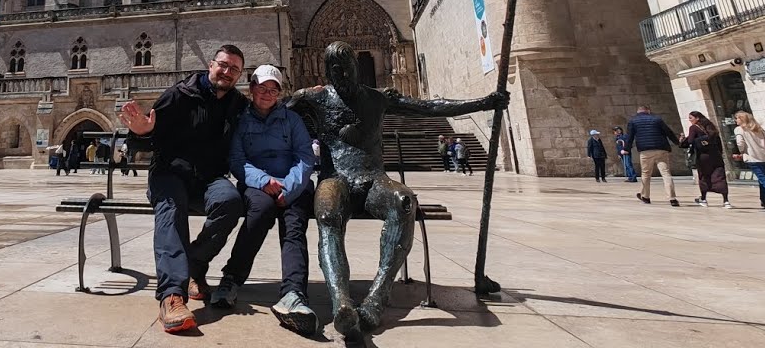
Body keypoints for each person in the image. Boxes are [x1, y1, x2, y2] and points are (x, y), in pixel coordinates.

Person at [288, 41, 508, 339]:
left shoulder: (379, 98)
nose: (341, 74)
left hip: (373, 180)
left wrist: (483, 103)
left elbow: (430, 107)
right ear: (326, 71)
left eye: (346, 67)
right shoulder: (315, 98)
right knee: (327, 211)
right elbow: (270, 107)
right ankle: (341, 303)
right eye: (334, 70)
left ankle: (376, 299)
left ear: (356, 66)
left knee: (404, 201)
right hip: (335, 178)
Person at [119, 45, 249, 335]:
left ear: (239, 75)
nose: (227, 72)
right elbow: (148, 131)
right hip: (169, 173)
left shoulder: (237, 104)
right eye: (223, 65)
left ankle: (193, 266)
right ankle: (172, 296)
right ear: (210, 65)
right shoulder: (179, 94)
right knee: (171, 209)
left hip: (208, 178)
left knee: (231, 202)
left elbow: (267, 115)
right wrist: (141, 132)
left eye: (234, 69)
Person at [211, 64, 318, 335]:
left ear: (279, 93)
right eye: (262, 88)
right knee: (258, 214)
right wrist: (263, 181)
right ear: (252, 89)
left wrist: (288, 188)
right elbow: (237, 159)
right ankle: (231, 279)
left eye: (273, 89)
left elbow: (305, 157)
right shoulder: (241, 121)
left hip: (294, 184)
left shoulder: (292, 120)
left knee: (294, 226)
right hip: (258, 184)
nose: (267, 94)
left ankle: (293, 293)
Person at [625, 105, 681, 206]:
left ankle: (646, 196)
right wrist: (677, 142)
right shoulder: (657, 119)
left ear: (638, 112)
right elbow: (668, 132)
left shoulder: (633, 121)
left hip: (645, 150)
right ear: (648, 111)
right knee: (666, 173)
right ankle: (672, 198)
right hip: (661, 148)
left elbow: (630, 137)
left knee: (646, 174)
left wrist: (626, 149)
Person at [681, 111, 729, 208]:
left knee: (704, 177)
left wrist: (682, 140)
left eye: (691, 118)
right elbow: (718, 142)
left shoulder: (694, 128)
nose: (689, 120)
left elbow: (690, 141)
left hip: (703, 156)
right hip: (715, 156)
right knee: (720, 176)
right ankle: (726, 201)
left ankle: (703, 199)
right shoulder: (712, 128)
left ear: (697, 118)